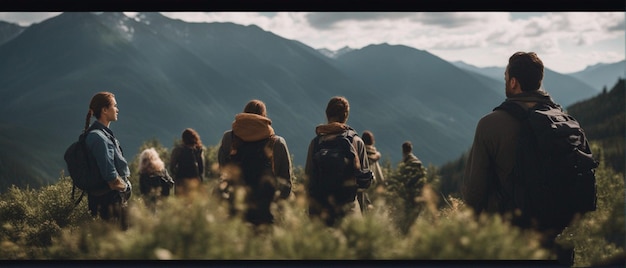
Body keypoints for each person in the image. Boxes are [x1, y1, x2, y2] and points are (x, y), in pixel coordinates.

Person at [461, 52, 574, 265]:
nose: (505, 81)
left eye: (505, 77)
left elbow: (474, 194)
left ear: (513, 82)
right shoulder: (563, 121)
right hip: (555, 239)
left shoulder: (490, 124)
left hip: (509, 241)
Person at [217, 99, 293, 225]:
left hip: (236, 214)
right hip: (266, 215)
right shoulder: (277, 143)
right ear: (264, 118)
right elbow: (286, 184)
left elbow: (222, 174)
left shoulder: (228, 139)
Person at [305, 96, 371, 226]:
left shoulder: (316, 143)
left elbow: (308, 180)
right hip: (349, 213)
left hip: (321, 213)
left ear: (327, 114)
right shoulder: (356, 142)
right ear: (346, 116)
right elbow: (364, 182)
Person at [83, 91, 132, 230]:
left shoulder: (100, 135)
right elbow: (110, 177)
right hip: (109, 204)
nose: (117, 109)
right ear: (104, 110)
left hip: (103, 201)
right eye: (114, 106)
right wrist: (126, 188)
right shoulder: (100, 138)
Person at [169, 128, 205, 196]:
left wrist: (176, 174)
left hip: (181, 180)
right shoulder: (198, 150)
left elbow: (172, 166)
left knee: (181, 203)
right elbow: (201, 168)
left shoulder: (178, 150)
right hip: (194, 181)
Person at [138, 147, 174, 212]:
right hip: (163, 203)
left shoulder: (143, 174)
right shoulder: (162, 171)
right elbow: (171, 184)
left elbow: (142, 191)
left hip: (151, 205)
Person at [357, 130, 385, 213]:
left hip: (360, 189)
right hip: (371, 190)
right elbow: (380, 178)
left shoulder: (360, 154)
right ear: (372, 142)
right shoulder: (374, 156)